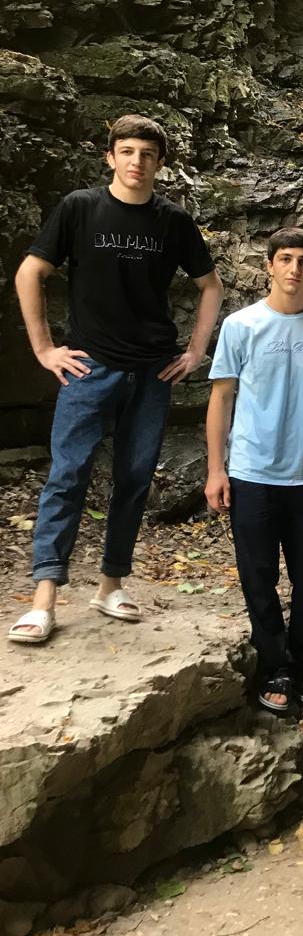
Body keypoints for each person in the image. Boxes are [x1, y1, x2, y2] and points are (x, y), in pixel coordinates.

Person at [9, 115, 223, 644]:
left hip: (151, 371)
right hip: (89, 367)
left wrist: (196, 351)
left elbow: (210, 286)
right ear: (110, 157)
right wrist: (44, 349)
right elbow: (30, 273)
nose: (136, 162)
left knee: (134, 479)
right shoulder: (80, 208)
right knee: (68, 475)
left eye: (147, 154)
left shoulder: (173, 221)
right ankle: (43, 599)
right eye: (126, 151)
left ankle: (111, 585)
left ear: (160, 163)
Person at [204, 227, 303, 716]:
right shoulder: (241, 325)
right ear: (269, 265)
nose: (294, 269)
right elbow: (221, 398)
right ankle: (274, 668)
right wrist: (216, 469)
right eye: (285, 259)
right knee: (258, 575)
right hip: (251, 474)